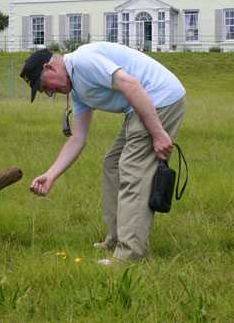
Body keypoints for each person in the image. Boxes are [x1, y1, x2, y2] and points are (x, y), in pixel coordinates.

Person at [20, 41, 186, 264]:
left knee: (132, 169)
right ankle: (117, 237)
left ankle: (129, 254)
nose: (50, 92)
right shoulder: (77, 88)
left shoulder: (82, 62)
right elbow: (78, 138)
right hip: (140, 106)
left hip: (160, 99)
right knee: (113, 163)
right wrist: (51, 175)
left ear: (49, 68)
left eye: (44, 87)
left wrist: (158, 133)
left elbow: (131, 84)